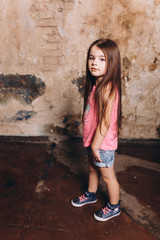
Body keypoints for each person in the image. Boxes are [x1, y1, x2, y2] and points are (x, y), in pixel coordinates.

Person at [71, 38, 121, 222]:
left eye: (102, 59)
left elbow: (104, 123)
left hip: (101, 144)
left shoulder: (107, 89)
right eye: (92, 58)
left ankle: (114, 206)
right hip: (92, 140)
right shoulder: (96, 85)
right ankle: (91, 194)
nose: (94, 63)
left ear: (112, 63)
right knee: (92, 169)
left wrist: (95, 146)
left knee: (108, 176)